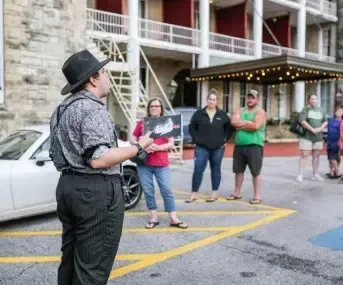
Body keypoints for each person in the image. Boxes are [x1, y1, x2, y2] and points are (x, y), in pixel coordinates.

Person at [50, 50, 153, 285]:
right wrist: (140, 147)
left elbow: (57, 155)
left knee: (71, 258)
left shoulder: (61, 110)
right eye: (104, 72)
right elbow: (98, 158)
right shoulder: (92, 108)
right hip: (95, 191)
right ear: (93, 79)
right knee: (92, 269)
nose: (107, 76)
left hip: (67, 186)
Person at [131, 97, 188, 229]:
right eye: (152, 106)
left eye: (157, 106)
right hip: (144, 163)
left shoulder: (166, 123)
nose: (155, 108)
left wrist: (158, 148)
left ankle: (173, 217)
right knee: (148, 191)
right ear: (148, 109)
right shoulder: (142, 123)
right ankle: (153, 217)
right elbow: (132, 139)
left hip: (161, 163)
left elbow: (171, 143)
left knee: (167, 190)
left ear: (161, 109)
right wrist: (141, 145)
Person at [186, 93, 233, 203]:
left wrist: (224, 140)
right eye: (210, 99)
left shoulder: (222, 114)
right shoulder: (199, 114)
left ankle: (214, 193)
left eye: (214, 99)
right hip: (201, 147)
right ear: (207, 100)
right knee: (198, 169)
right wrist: (196, 140)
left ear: (216, 101)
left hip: (218, 147)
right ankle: (194, 193)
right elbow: (191, 127)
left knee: (216, 169)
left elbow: (229, 128)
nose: (211, 101)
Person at [227, 89, 266, 204]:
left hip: (254, 146)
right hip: (239, 146)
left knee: (255, 171)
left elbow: (256, 126)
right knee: (238, 171)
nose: (250, 100)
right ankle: (237, 193)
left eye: (252, 98)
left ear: (257, 99)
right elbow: (233, 122)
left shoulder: (260, 112)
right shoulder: (240, 109)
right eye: (248, 97)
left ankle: (257, 196)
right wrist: (248, 122)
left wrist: (242, 125)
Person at [296, 94, 328, 183]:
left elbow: (325, 121)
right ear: (309, 100)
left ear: (317, 100)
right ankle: (300, 174)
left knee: (316, 156)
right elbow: (302, 121)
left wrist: (320, 129)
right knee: (304, 155)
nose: (313, 100)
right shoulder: (306, 109)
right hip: (307, 136)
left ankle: (315, 174)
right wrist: (312, 129)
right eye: (312, 99)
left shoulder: (321, 110)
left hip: (318, 137)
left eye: (315, 99)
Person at [326, 106, 343, 179]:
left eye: (340, 111)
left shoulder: (342, 123)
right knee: (330, 158)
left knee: (332, 158)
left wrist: (339, 142)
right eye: (337, 111)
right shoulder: (330, 120)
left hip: (336, 142)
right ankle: (331, 173)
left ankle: (337, 172)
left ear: (342, 113)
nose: (338, 113)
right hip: (329, 141)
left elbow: (342, 133)